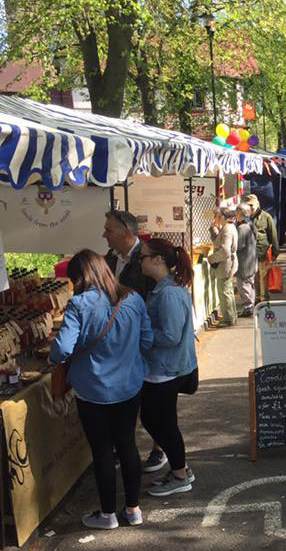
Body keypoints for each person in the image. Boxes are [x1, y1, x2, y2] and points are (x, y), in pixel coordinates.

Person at [49, 250, 153, 530]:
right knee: (128, 444)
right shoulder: (133, 298)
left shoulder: (79, 304)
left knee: (102, 451)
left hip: (92, 390)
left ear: (80, 277)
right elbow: (147, 339)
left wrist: (54, 360)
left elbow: (62, 349)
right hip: (129, 385)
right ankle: (133, 510)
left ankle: (107, 515)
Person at [138, 239, 198, 497]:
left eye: (142, 256)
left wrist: (141, 334)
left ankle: (180, 474)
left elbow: (171, 336)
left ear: (158, 260)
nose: (139, 261)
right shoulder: (165, 289)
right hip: (164, 368)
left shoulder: (169, 293)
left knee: (159, 421)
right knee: (158, 420)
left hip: (166, 369)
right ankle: (179, 468)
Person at [103, 210, 155, 298]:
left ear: (126, 233)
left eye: (109, 231)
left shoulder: (147, 258)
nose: (104, 235)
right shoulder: (111, 255)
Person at [243, 194, 279, 303]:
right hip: (248, 255)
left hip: (262, 252)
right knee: (253, 279)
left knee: (263, 278)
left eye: (252, 205)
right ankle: (257, 299)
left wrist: (275, 252)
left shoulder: (266, 217)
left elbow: (273, 235)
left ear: (257, 204)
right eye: (248, 205)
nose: (250, 207)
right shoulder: (245, 218)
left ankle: (264, 300)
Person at [208, 208, 239, 326]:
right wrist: (214, 228)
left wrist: (213, 258)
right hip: (227, 263)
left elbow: (225, 250)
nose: (216, 218)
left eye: (217, 216)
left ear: (223, 217)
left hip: (225, 265)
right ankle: (231, 316)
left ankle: (229, 319)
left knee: (224, 291)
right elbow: (219, 242)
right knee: (228, 290)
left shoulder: (226, 229)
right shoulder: (229, 227)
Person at [235, 203, 258, 317]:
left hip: (244, 262)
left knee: (243, 285)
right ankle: (250, 306)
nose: (235, 214)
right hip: (251, 260)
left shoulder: (242, 228)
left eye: (237, 212)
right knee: (250, 284)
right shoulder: (250, 224)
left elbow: (238, 245)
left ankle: (248, 307)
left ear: (240, 213)